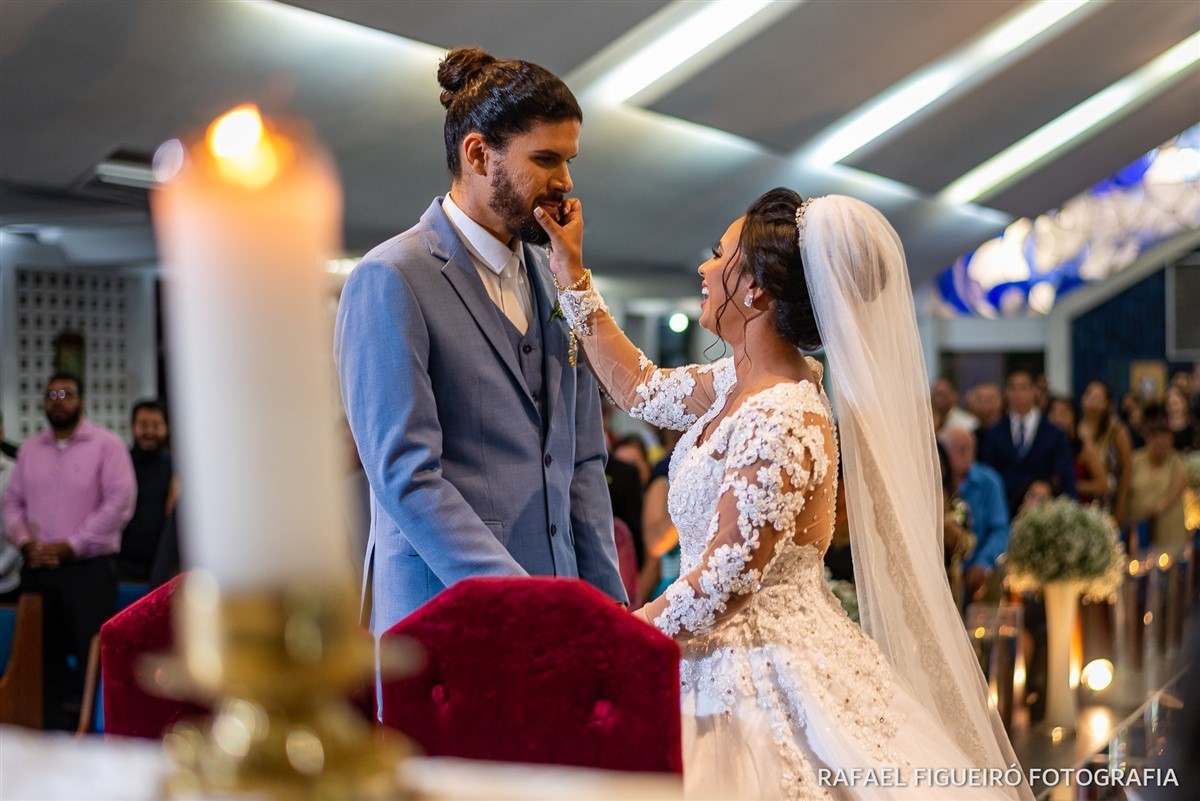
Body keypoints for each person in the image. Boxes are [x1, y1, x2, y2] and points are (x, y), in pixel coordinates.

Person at [535, 189, 1031, 799]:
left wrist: (618, 635)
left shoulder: (785, 414)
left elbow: (726, 578)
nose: (704, 268)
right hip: (707, 653)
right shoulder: (733, 382)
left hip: (760, 669)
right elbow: (638, 387)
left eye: (719, 255)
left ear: (758, 290)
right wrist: (571, 274)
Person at [333, 47, 626, 637]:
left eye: (568, 161)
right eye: (545, 159)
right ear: (477, 154)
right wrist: (520, 604)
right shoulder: (391, 277)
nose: (565, 182)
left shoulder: (556, 277)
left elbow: (584, 461)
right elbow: (406, 477)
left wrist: (606, 609)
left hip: (560, 611)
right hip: (444, 619)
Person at [2, 373, 136, 728]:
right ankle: (41, 743)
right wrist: (26, 542)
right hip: (38, 569)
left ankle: (99, 736)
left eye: (66, 394)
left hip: (89, 572)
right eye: (51, 395)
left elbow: (119, 502)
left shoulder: (107, 445)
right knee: (39, 663)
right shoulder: (31, 450)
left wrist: (72, 545)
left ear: (81, 400)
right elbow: (11, 502)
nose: (57, 400)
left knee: (95, 661)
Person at [978, 370, 1077, 517]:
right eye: (1013, 388)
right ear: (1006, 393)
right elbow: (987, 475)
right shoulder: (994, 433)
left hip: (1045, 512)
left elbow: (1066, 475)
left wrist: (1070, 513)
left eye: (1023, 388)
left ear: (1034, 391)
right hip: (1004, 511)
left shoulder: (1054, 433)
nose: (1018, 394)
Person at [941, 426, 1009, 603]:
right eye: (959, 449)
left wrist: (983, 562)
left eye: (970, 448)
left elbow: (999, 530)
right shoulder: (934, 485)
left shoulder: (989, 481)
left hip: (979, 566)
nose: (966, 454)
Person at [117, 399, 178, 581]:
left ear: (166, 427)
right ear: (132, 426)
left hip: (164, 565)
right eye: (143, 425)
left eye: (156, 425)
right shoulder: (119, 464)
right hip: (121, 565)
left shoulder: (177, 467)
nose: (149, 432)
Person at [1128, 408, 1188, 553]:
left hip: (1169, 528)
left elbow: (1177, 487)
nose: (1161, 441)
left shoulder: (1177, 460)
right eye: (1157, 437)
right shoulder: (1135, 460)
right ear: (1148, 438)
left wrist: (1158, 508)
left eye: (1166, 438)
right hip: (1139, 529)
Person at [1079, 380, 1132, 522]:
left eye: (1098, 397)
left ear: (1106, 403)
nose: (1092, 401)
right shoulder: (1075, 431)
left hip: (1109, 502)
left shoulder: (1117, 432)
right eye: (1089, 394)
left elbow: (1127, 471)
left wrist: (1121, 507)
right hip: (1081, 501)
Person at [1046, 395, 1108, 504]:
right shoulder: (1043, 447)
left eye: (1064, 413)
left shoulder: (1084, 448)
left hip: (1079, 508)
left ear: (1073, 416)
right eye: (1053, 413)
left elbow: (1102, 485)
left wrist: (1073, 485)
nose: (1057, 418)